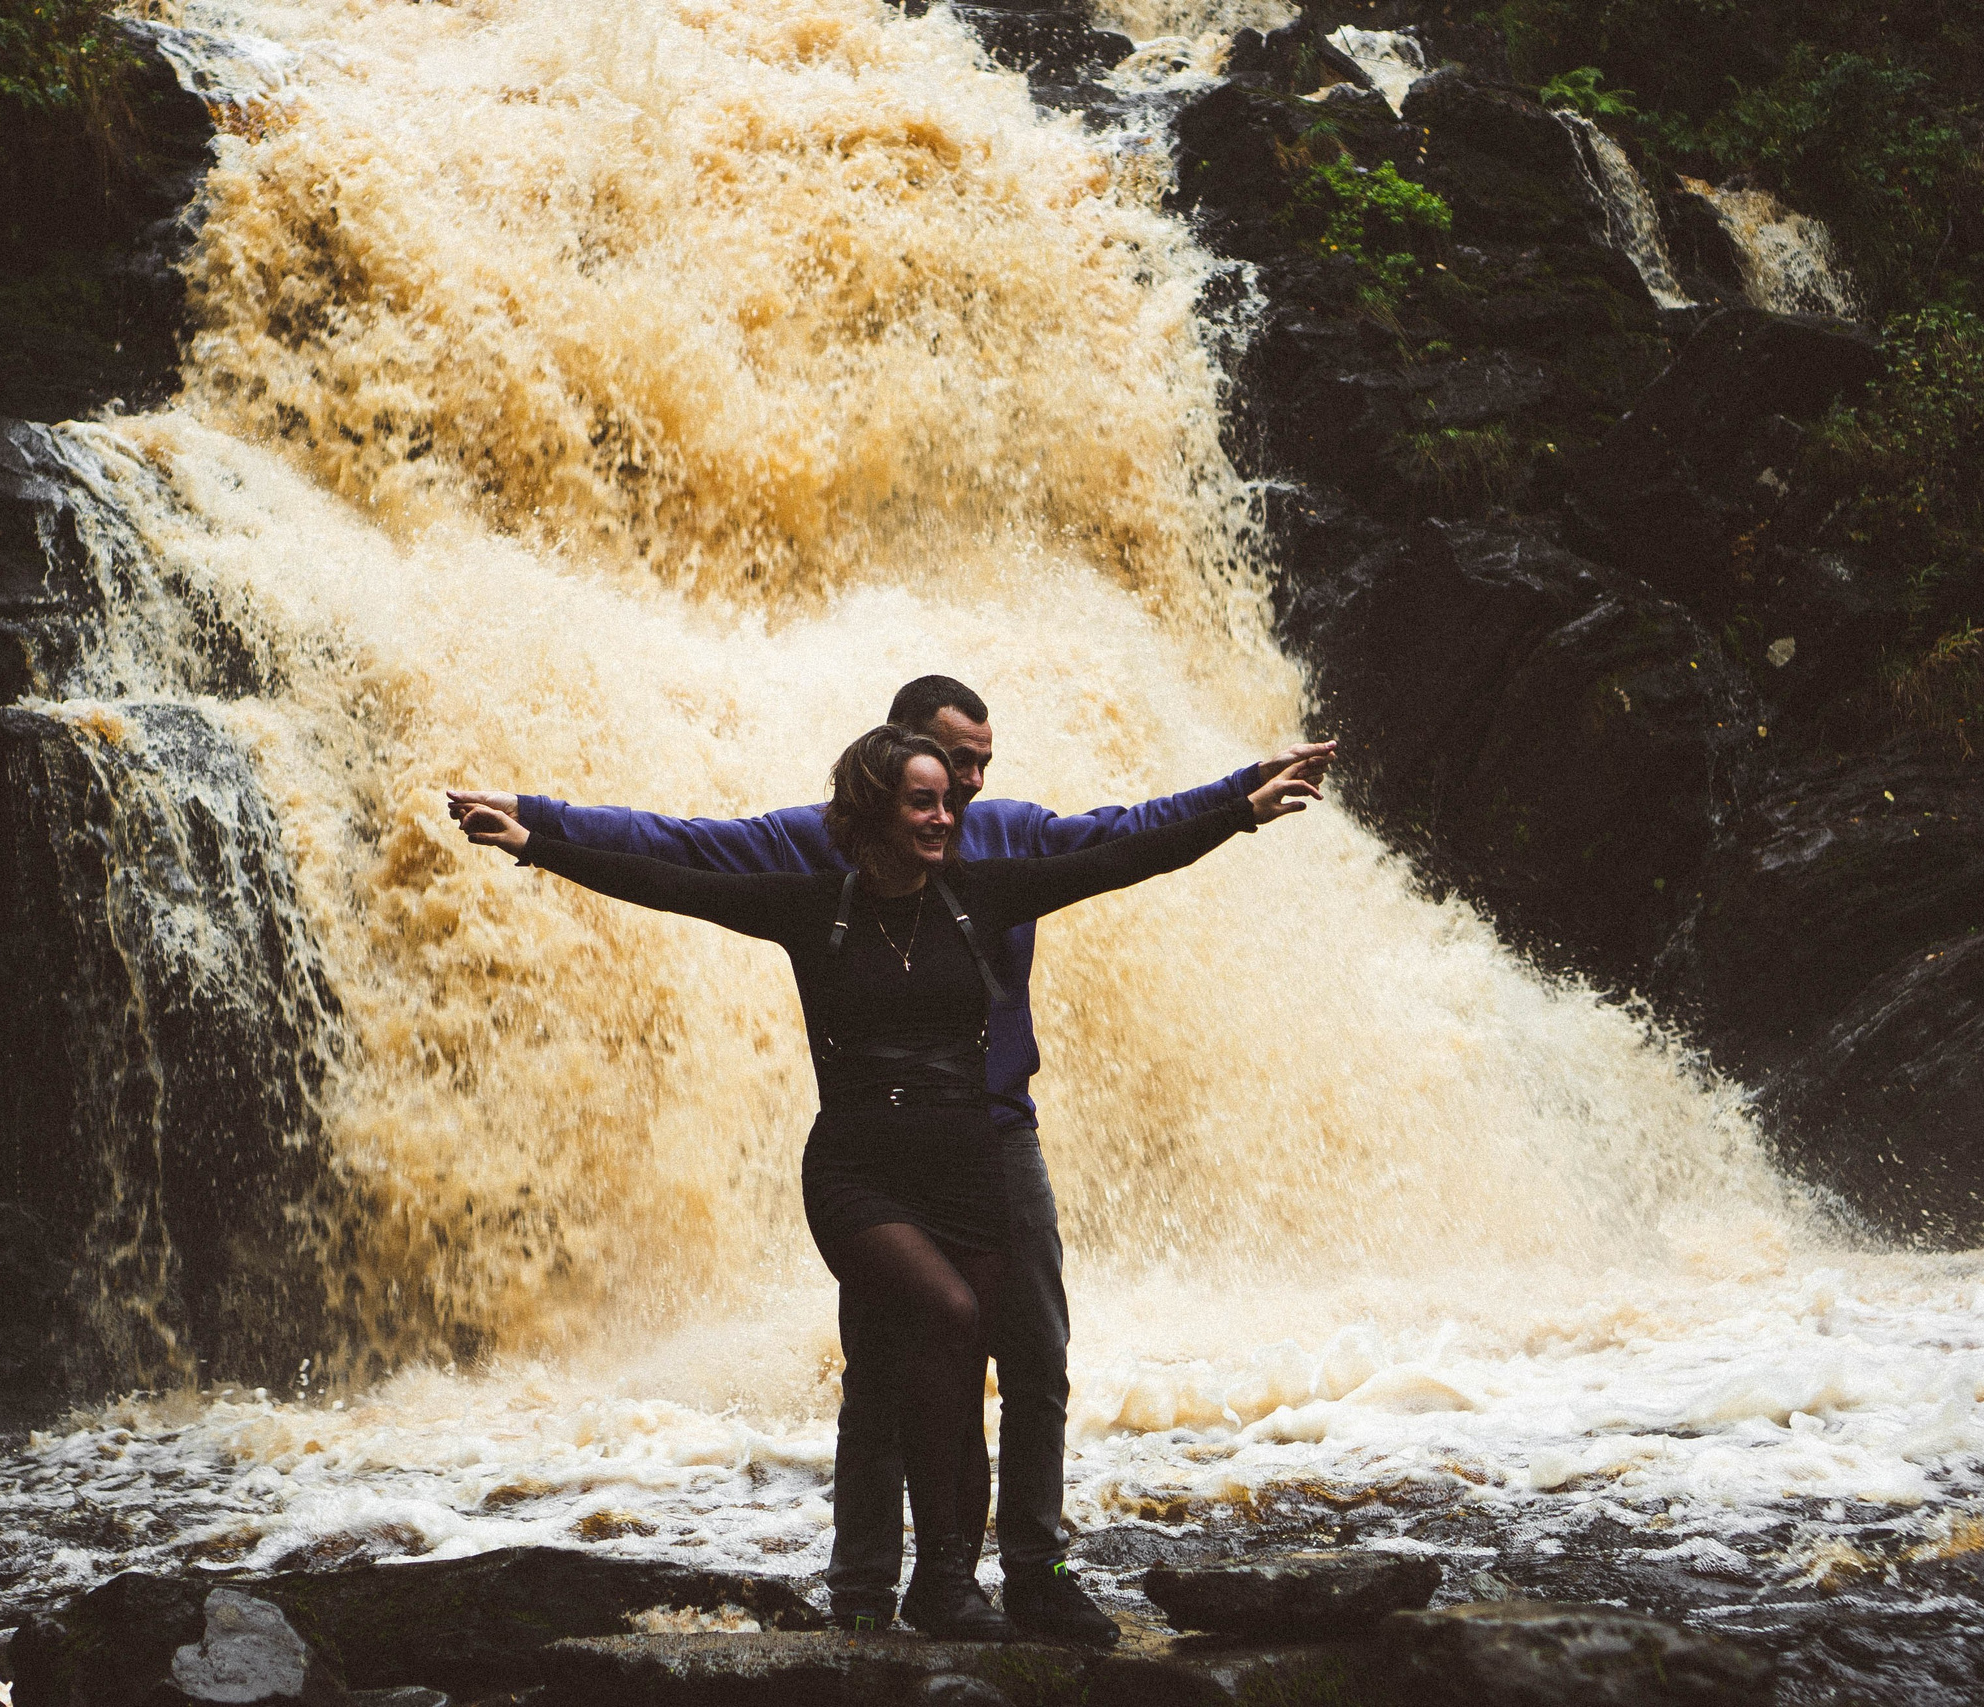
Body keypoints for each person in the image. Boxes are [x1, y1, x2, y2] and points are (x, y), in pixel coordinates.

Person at [450, 678, 1333, 1644]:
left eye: (974, 777)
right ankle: (872, 1587)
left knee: (1025, 1357)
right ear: (887, 774)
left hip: (986, 1150)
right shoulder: (809, 871)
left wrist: (1240, 803)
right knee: (899, 1358)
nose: (964, 796)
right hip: (869, 1165)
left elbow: (1127, 845)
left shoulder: (996, 855)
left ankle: (1017, 1573)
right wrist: (533, 830)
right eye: (948, 774)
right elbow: (675, 862)